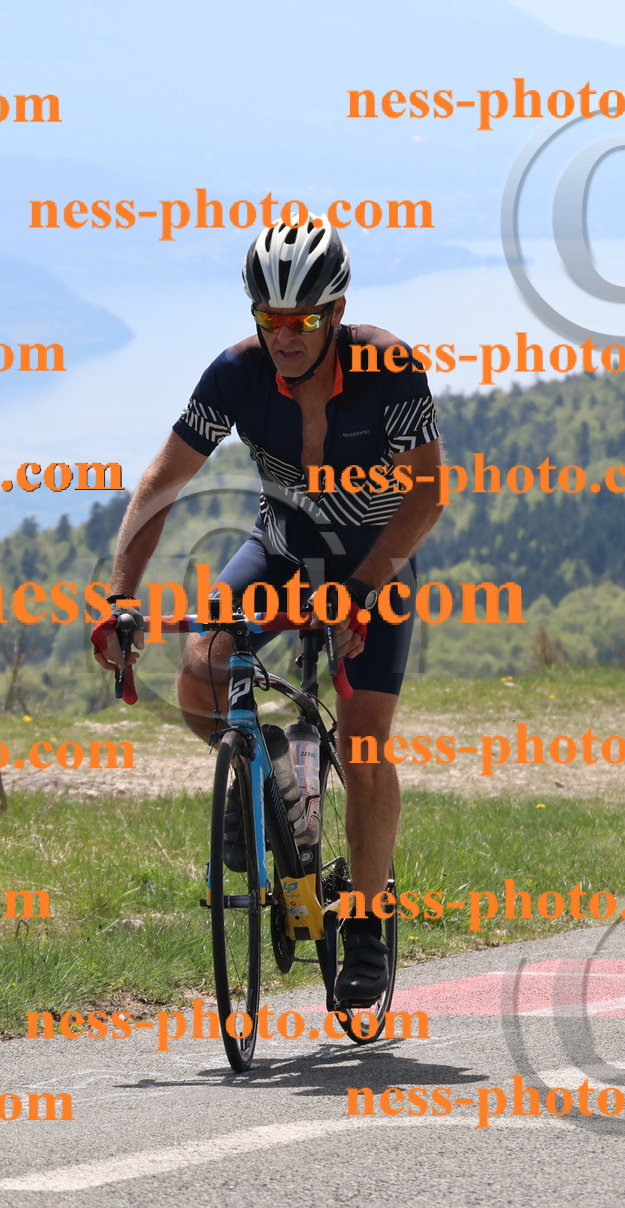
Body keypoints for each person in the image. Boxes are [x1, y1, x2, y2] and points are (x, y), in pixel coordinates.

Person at [93, 219, 445, 1000]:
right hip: (282, 548)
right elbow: (161, 484)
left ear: (337, 309)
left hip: (370, 564)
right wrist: (121, 595)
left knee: (363, 742)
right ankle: (266, 766)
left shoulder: (390, 368)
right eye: (270, 319)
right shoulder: (236, 374)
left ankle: (363, 922)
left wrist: (359, 592)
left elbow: (427, 495)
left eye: (304, 321)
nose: (285, 336)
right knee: (200, 671)